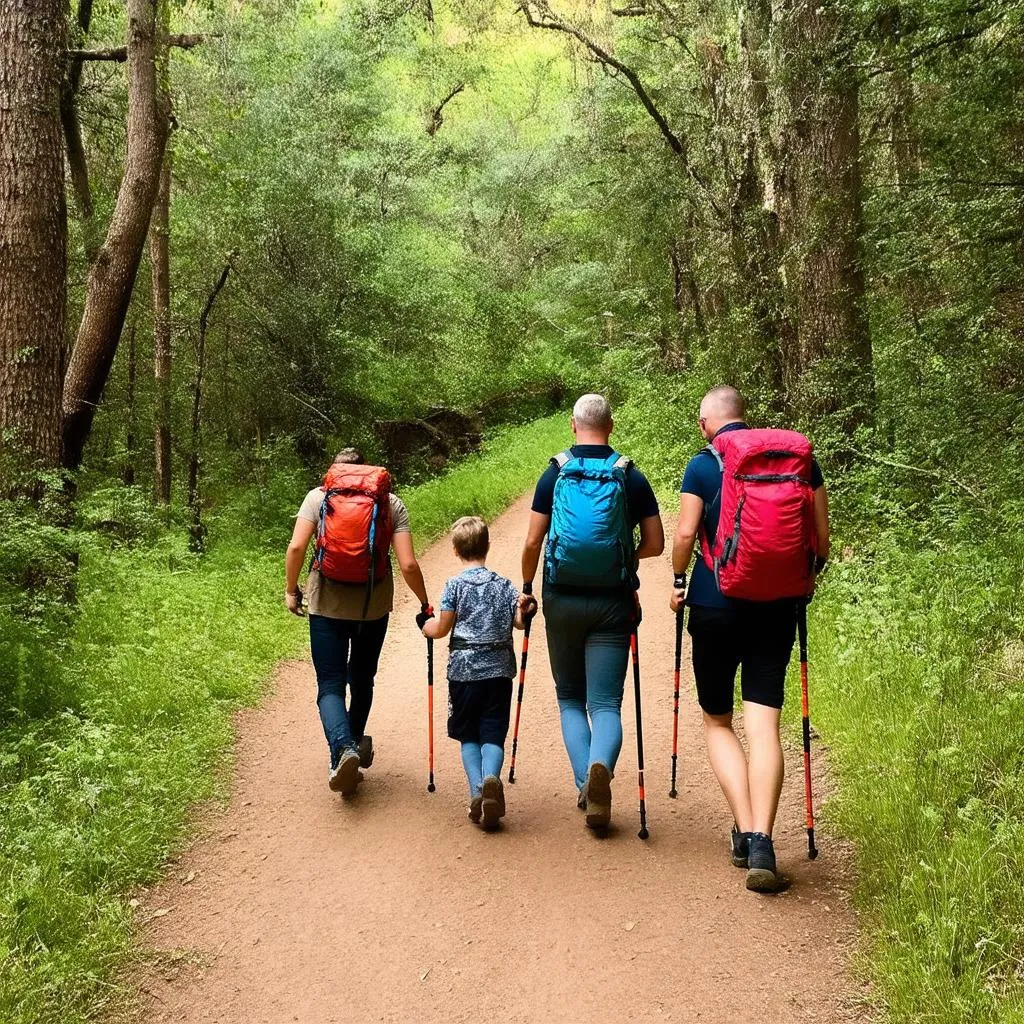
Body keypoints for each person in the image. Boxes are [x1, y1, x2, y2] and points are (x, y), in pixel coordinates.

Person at [669, 386, 830, 892]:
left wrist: (678, 583)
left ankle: (744, 830)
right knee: (764, 724)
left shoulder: (701, 466)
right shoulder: (797, 461)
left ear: (705, 424)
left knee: (718, 720)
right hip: (777, 609)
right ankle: (764, 838)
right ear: (745, 417)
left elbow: (684, 536)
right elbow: (820, 543)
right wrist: (798, 585)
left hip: (714, 606)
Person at [520, 394, 664, 830]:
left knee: (569, 697)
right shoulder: (629, 475)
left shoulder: (554, 473)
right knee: (605, 704)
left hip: (561, 597)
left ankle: (587, 782)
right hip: (612, 601)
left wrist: (526, 588)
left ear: (572, 425)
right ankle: (601, 767)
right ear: (611, 426)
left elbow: (531, 543)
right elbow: (656, 543)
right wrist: (626, 560)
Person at [285, 448, 430, 797]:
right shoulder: (390, 503)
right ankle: (348, 744)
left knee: (331, 684)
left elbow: (296, 548)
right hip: (372, 606)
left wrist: (292, 590)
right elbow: (408, 564)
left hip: (327, 604)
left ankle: (343, 748)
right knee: (362, 678)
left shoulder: (317, 498)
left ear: (334, 470)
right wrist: (425, 602)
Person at [421, 516, 535, 829]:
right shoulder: (505, 586)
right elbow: (520, 623)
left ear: (456, 550)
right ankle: (491, 779)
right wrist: (525, 610)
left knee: (469, 733)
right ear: (487, 546)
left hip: (464, 673)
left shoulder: (453, 586)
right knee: (493, 730)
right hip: (499, 672)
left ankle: (477, 790)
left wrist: (424, 625)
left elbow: (442, 628)